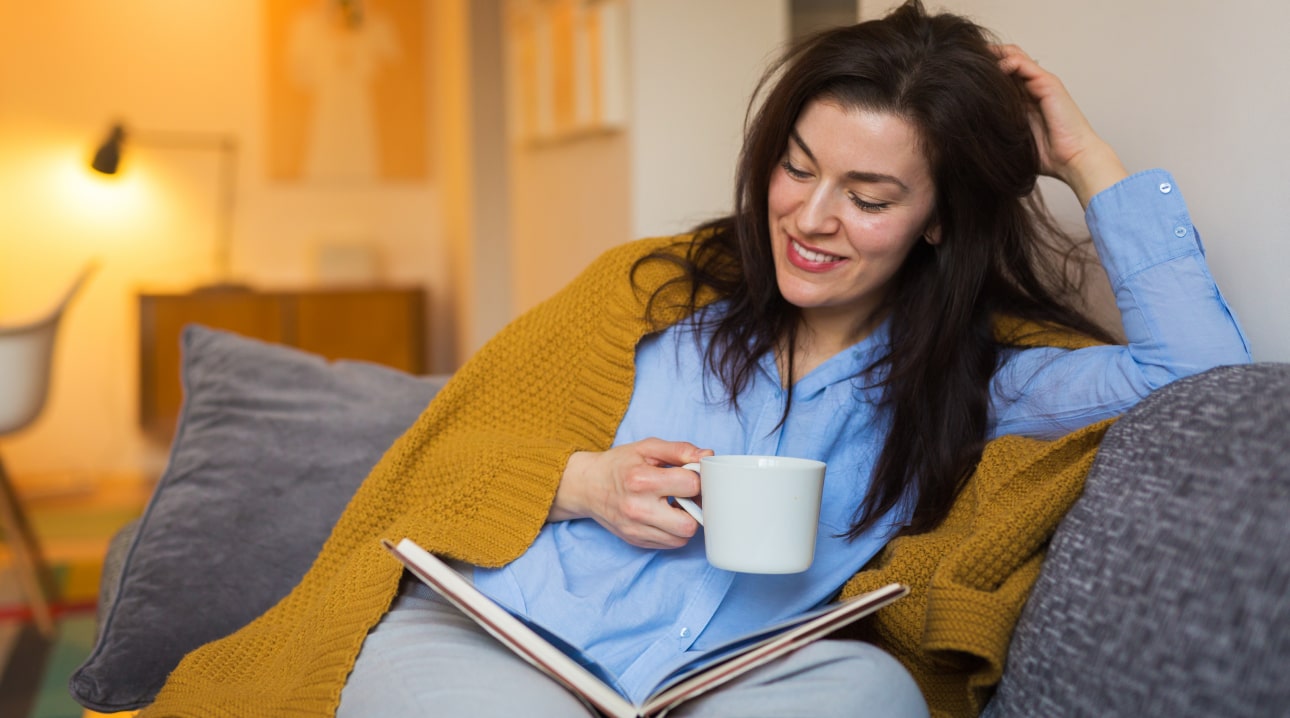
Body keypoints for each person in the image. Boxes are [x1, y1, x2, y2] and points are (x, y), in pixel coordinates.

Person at [141, 2, 1250, 717]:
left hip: (739, 677)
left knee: (873, 694)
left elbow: (1203, 387)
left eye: (868, 197)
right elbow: (446, 459)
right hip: (503, 641)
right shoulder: (652, 292)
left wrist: (1087, 157)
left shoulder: (985, 374)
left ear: (942, 221)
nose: (811, 218)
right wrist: (581, 482)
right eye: (797, 169)